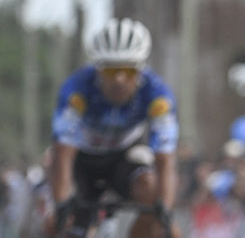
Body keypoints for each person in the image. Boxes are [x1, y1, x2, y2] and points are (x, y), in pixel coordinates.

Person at [47, 17, 179, 238]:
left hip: (124, 158)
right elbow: (63, 152)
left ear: (140, 70)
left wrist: (164, 208)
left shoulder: (158, 94)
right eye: (110, 71)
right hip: (83, 158)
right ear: (97, 70)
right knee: (55, 224)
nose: (119, 80)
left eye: (128, 71)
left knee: (155, 200)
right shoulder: (76, 89)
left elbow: (165, 158)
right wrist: (61, 206)